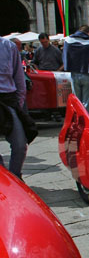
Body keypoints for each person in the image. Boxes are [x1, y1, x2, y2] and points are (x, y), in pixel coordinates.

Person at [0, 37, 37, 179]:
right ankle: (3, 182)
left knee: (20, 144)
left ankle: (15, 177)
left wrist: (19, 104)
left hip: (8, 100)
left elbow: (19, 78)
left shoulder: (8, 46)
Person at [63, 25, 89, 115]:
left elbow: (65, 56)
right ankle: (86, 123)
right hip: (88, 74)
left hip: (73, 74)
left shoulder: (68, 41)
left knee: (77, 101)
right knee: (87, 102)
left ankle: (78, 121)